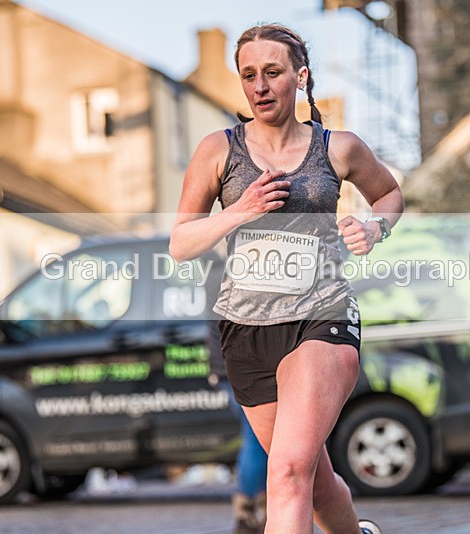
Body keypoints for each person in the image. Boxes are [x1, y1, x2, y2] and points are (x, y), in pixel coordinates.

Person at [170, 23, 403, 533]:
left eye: (272, 73)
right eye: (249, 74)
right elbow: (181, 244)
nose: (260, 86)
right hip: (247, 333)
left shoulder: (337, 147)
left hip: (322, 318)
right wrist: (240, 210)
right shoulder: (218, 150)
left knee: (287, 470)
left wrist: (373, 227)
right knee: (314, 480)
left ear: (300, 78)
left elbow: (389, 195)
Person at [204, 252, 268, 534]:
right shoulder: (234, 272)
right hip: (243, 370)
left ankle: (258, 511)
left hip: (226, 370)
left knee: (260, 441)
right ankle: (249, 514)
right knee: (258, 441)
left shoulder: (212, 272)